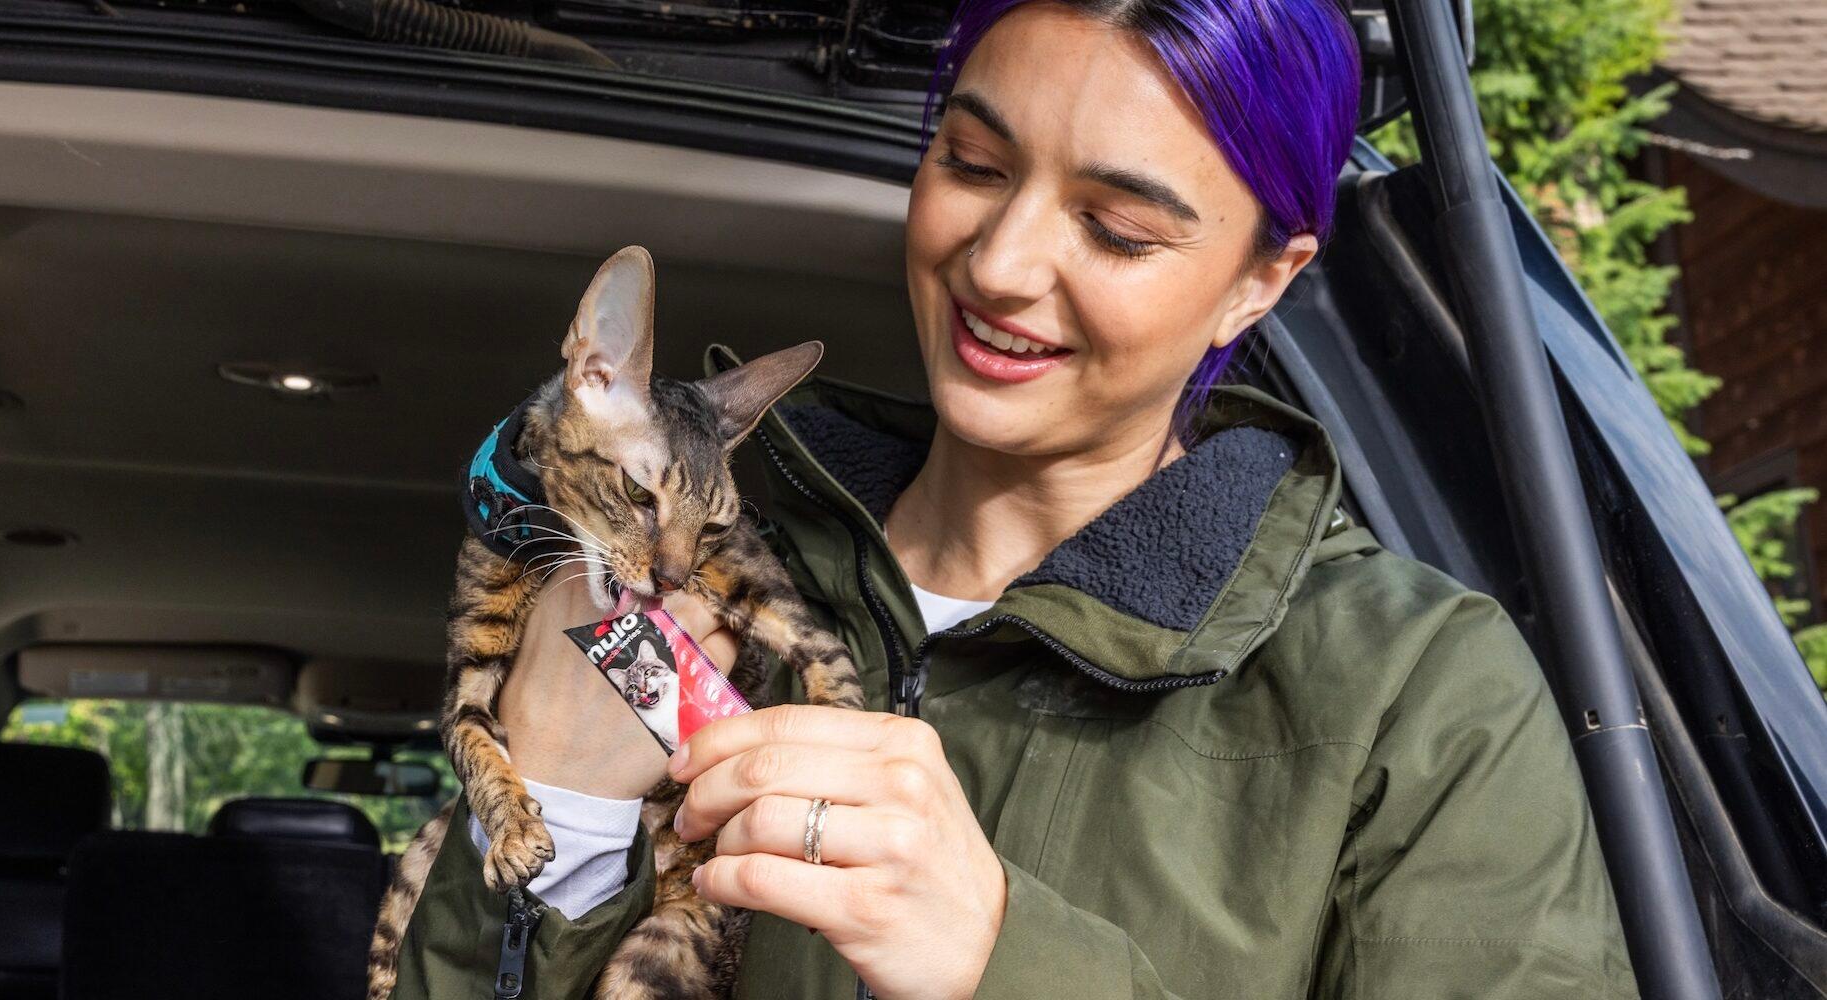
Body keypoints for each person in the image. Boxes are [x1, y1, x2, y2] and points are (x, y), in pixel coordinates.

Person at [390, 0, 1639, 996]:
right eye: (974, 163)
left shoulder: (1414, 693)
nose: (999, 264)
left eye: (1117, 228)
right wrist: (563, 811)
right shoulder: (684, 598)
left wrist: (1004, 954)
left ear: (1260, 281)